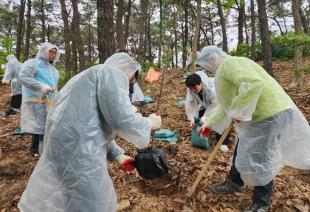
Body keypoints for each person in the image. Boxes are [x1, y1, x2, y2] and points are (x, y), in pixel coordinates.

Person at [18, 52, 162, 212]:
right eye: (131, 78)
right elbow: (121, 118)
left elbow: (92, 125)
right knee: (93, 201)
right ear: (126, 68)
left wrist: (116, 154)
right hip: (78, 151)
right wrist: (148, 123)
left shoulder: (87, 77)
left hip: (61, 144)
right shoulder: (110, 73)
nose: (129, 83)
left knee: (69, 195)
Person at [195, 46, 310, 212]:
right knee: (241, 149)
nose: (207, 69)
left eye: (206, 65)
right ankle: (234, 182)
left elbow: (253, 84)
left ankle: (261, 204)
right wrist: (209, 124)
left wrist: (239, 112)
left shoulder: (230, 64)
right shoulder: (228, 69)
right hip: (260, 116)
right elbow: (226, 105)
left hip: (268, 115)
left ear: (213, 59)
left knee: (260, 158)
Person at [19, 42, 60, 158]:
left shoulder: (53, 70)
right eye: (51, 51)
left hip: (49, 101)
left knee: (46, 124)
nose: (53, 54)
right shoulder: (32, 64)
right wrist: (41, 86)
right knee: (38, 124)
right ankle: (35, 149)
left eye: (55, 52)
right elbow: (24, 77)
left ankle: (44, 149)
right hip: (35, 100)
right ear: (44, 51)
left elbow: (54, 86)